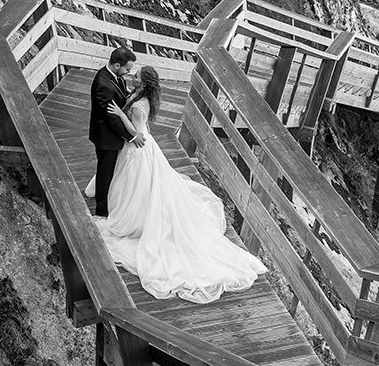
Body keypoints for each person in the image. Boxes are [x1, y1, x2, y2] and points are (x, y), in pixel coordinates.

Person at [92, 67, 267, 303]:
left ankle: (133, 217)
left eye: (136, 78)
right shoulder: (143, 98)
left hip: (139, 149)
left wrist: (120, 115)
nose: (132, 78)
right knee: (141, 185)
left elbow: (136, 132)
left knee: (140, 187)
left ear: (143, 85)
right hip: (143, 148)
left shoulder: (137, 106)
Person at [88, 46, 146, 217]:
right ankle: (101, 210)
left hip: (113, 134)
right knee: (105, 173)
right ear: (117, 66)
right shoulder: (103, 84)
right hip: (106, 136)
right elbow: (111, 118)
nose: (129, 73)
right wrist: (133, 136)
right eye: (128, 69)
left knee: (112, 171)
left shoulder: (114, 76)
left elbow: (121, 95)